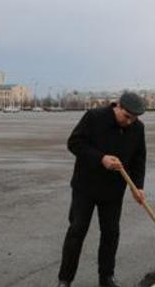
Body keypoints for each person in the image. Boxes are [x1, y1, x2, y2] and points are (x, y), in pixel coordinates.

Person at [57, 92, 147, 287]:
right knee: (77, 231)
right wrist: (101, 158)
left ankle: (106, 277)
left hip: (113, 191)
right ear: (118, 106)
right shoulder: (94, 117)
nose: (130, 122)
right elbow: (74, 143)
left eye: (134, 118)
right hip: (85, 187)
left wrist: (138, 187)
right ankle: (65, 279)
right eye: (126, 117)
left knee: (111, 233)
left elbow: (139, 159)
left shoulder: (138, 128)